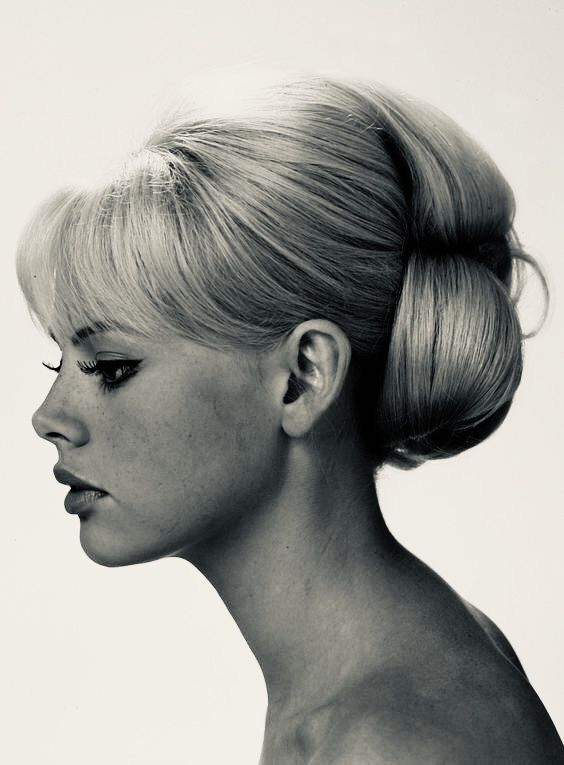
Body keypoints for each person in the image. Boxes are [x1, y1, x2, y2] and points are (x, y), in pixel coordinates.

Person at [16, 73, 563, 763]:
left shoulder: (395, 742)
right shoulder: (364, 685)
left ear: (304, 377)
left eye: (111, 367)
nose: (48, 416)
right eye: (55, 366)